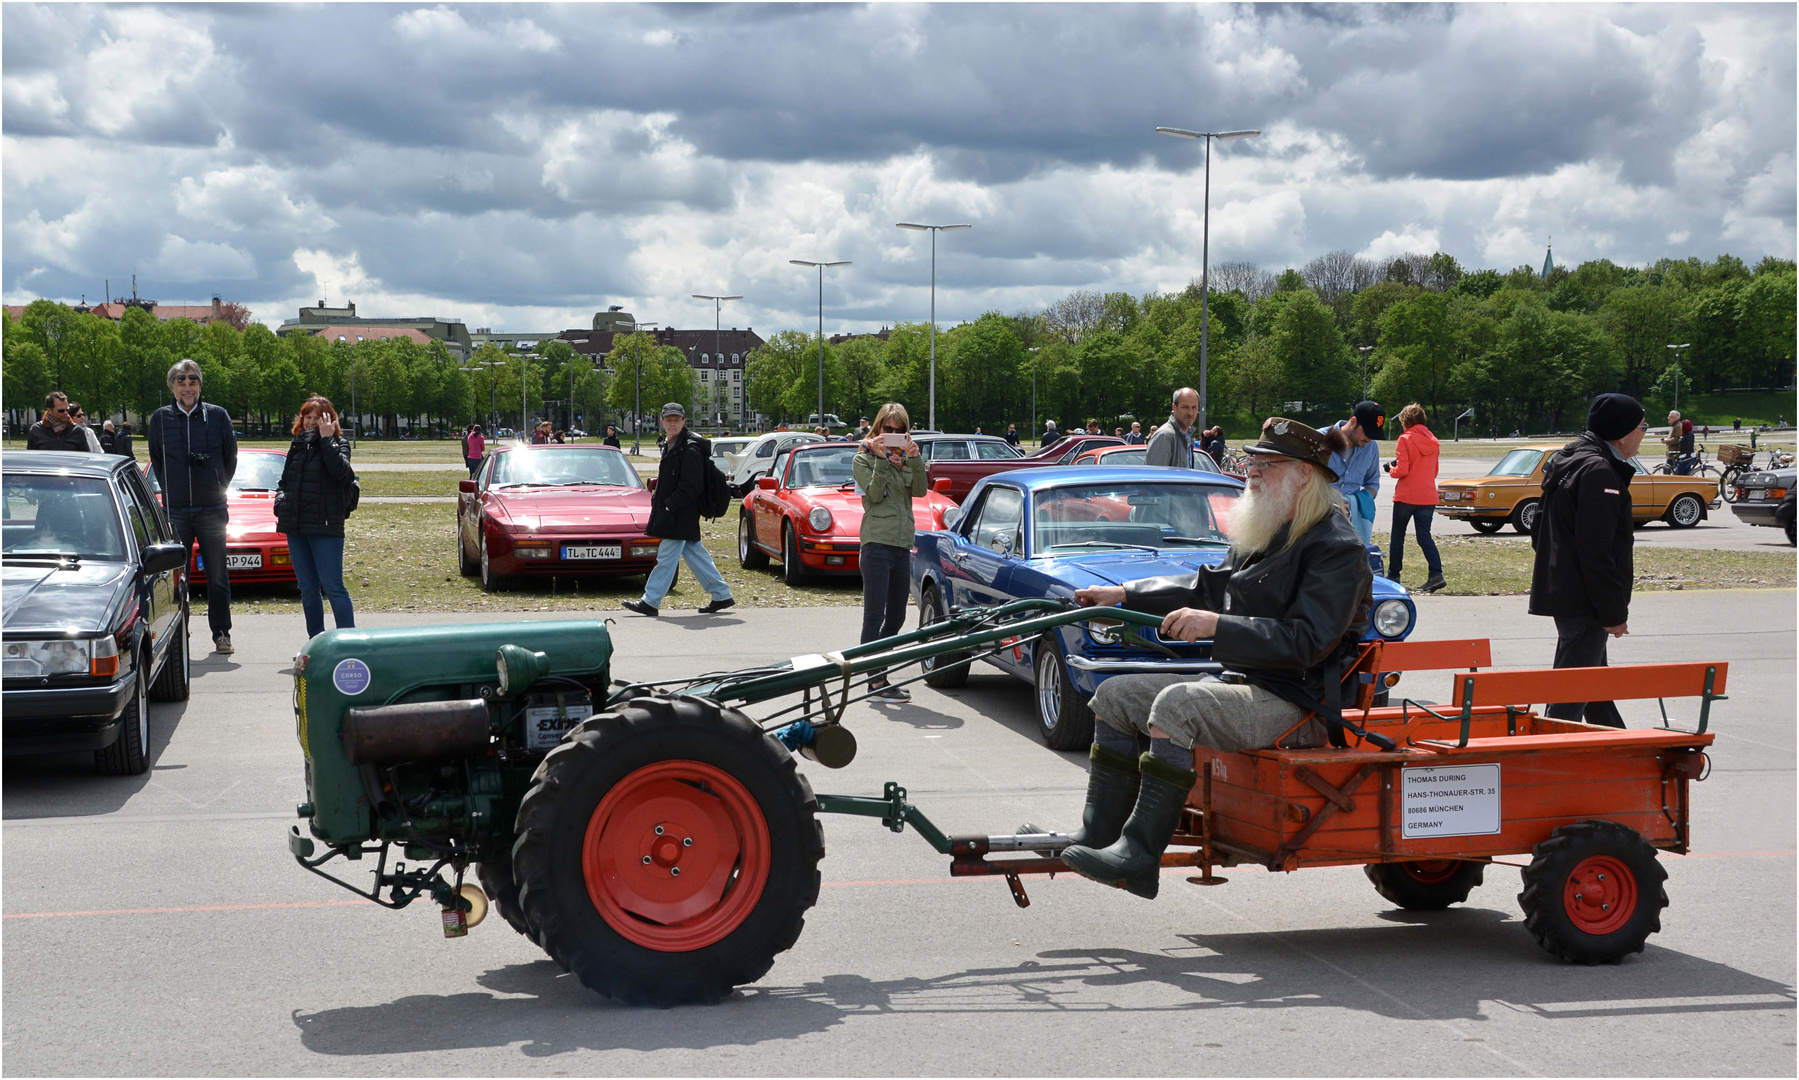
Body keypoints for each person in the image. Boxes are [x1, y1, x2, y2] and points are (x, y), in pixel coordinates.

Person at [1053, 417, 1367, 898]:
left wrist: (1219, 626)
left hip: (1298, 703)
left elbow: (1307, 641)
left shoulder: (1335, 547)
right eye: (1253, 462)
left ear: (1304, 474)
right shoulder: (1270, 530)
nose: (1252, 472)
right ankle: (1099, 835)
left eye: (1267, 464)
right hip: (1248, 685)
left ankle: (1138, 856)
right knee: (1114, 695)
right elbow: (1206, 587)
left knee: (1178, 705)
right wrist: (1121, 593)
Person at [1528, 394, 1645, 729]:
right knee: (1570, 695)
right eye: (1642, 427)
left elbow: (1540, 530)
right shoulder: (1598, 472)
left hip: (1570, 594)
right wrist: (1612, 613)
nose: (1644, 434)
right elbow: (1597, 551)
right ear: (1623, 433)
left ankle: (1618, 750)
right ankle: (1545, 760)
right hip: (1586, 602)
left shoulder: (1571, 460)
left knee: (1593, 685)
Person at [146, 358, 239, 655]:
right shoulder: (160, 418)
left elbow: (230, 458)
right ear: (172, 386)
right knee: (175, 579)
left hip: (212, 510)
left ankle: (222, 633)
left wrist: (216, 484)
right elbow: (157, 461)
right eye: (181, 381)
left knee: (217, 576)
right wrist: (172, 489)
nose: (187, 386)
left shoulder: (218, 416)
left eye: (193, 380)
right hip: (177, 512)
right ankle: (176, 635)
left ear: (200, 384)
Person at [623, 403, 734, 617]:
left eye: (676, 419)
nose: (672, 423)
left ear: (684, 422)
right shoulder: (674, 444)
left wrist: (669, 504)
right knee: (695, 553)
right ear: (662, 422)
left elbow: (692, 486)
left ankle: (650, 600)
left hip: (679, 513)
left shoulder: (689, 448)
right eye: (669, 419)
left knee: (666, 557)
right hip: (679, 512)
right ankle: (721, 594)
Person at [853, 402, 929, 701]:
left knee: (896, 617)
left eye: (900, 431)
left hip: (901, 543)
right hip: (876, 543)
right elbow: (873, 494)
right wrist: (882, 458)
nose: (894, 435)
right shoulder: (863, 457)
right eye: (888, 429)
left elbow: (921, 491)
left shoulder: (907, 459)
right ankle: (875, 680)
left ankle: (876, 669)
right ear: (878, 428)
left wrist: (915, 458)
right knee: (873, 616)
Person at [275, 397, 356, 639]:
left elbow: (340, 472)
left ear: (329, 420)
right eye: (307, 417)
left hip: (326, 527)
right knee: (307, 588)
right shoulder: (297, 445)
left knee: (333, 587)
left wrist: (326, 439)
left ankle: (348, 642)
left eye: (317, 418)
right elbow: (284, 481)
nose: (311, 422)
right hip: (296, 526)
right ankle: (316, 641)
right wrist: (281, 501)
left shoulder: (339, 444)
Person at [1385, 403, 1444, 592]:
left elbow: (1402, 470)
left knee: (1398, 536)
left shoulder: (1405, 439)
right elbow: (1434, 471)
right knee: (1424, 536)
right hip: (1427, 495)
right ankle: (1436, 574)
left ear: (1406, 422)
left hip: (1406, 495)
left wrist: (1390, 469)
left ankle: (1394, 575)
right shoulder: (1434, 441)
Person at [1323, 401, 1383, 546]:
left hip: (1353, 527)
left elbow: (1372, 483)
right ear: (1354, 421)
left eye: (1374, 434)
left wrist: (1356, 503)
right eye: (1368, 432)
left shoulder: (1371, 447)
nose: (1369, 439)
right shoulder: (1319, 439)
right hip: (1319, 522)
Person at [1145, 388, 1200, 469]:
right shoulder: (1164, 436)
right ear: (1174, 407)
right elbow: (1155, 477)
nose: (1190, 413)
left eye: (1194, 407)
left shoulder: (1187, 436)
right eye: (1185, 407)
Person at [25, 392, 92, 451]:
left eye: (67, 409)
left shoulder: (77, 431)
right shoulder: (36, 430)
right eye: (61, 411)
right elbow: (31, 460)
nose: (66, 413)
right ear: (49, 410)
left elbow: (85, 459)